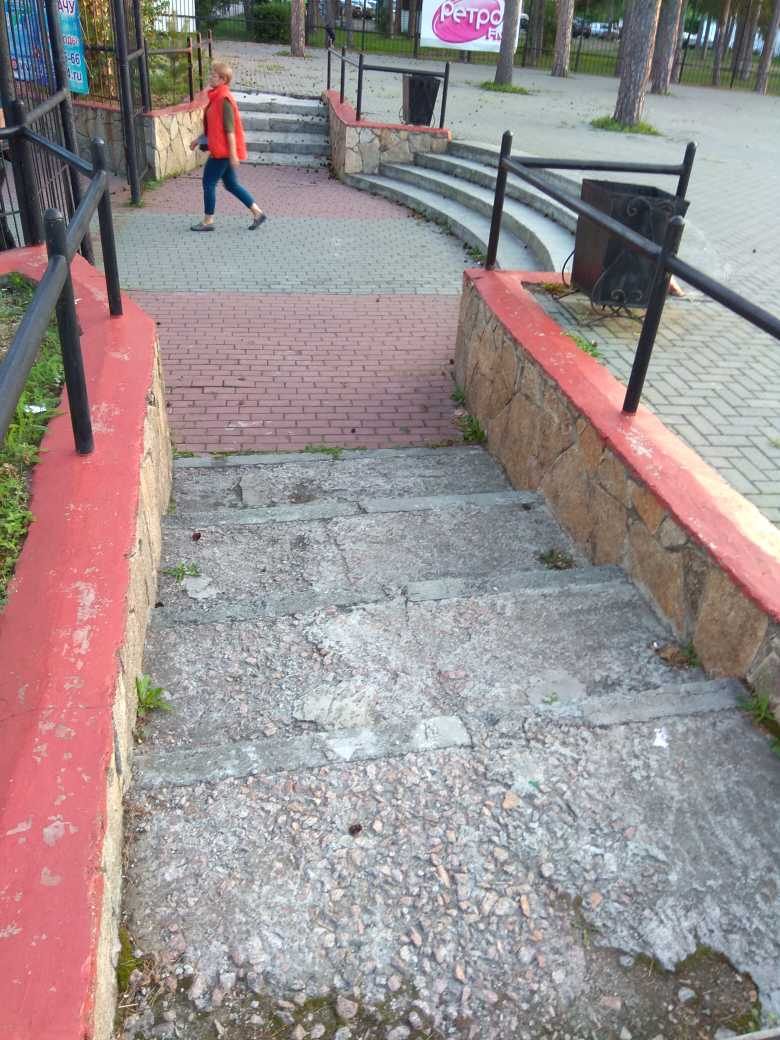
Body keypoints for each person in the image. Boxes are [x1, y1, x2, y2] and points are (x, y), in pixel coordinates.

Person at [189, 62, 267, 232]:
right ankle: (258, 213)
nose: (210, 77)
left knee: (208, 183)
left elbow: (230, 130)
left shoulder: (224, 100)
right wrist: (198, 139)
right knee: (231, 184)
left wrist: (233, 154)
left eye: (213, 75)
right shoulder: (216, 97)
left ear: (223, 79)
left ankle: (208, 221)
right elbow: (214, 127)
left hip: (222, 152)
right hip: (221, 150)